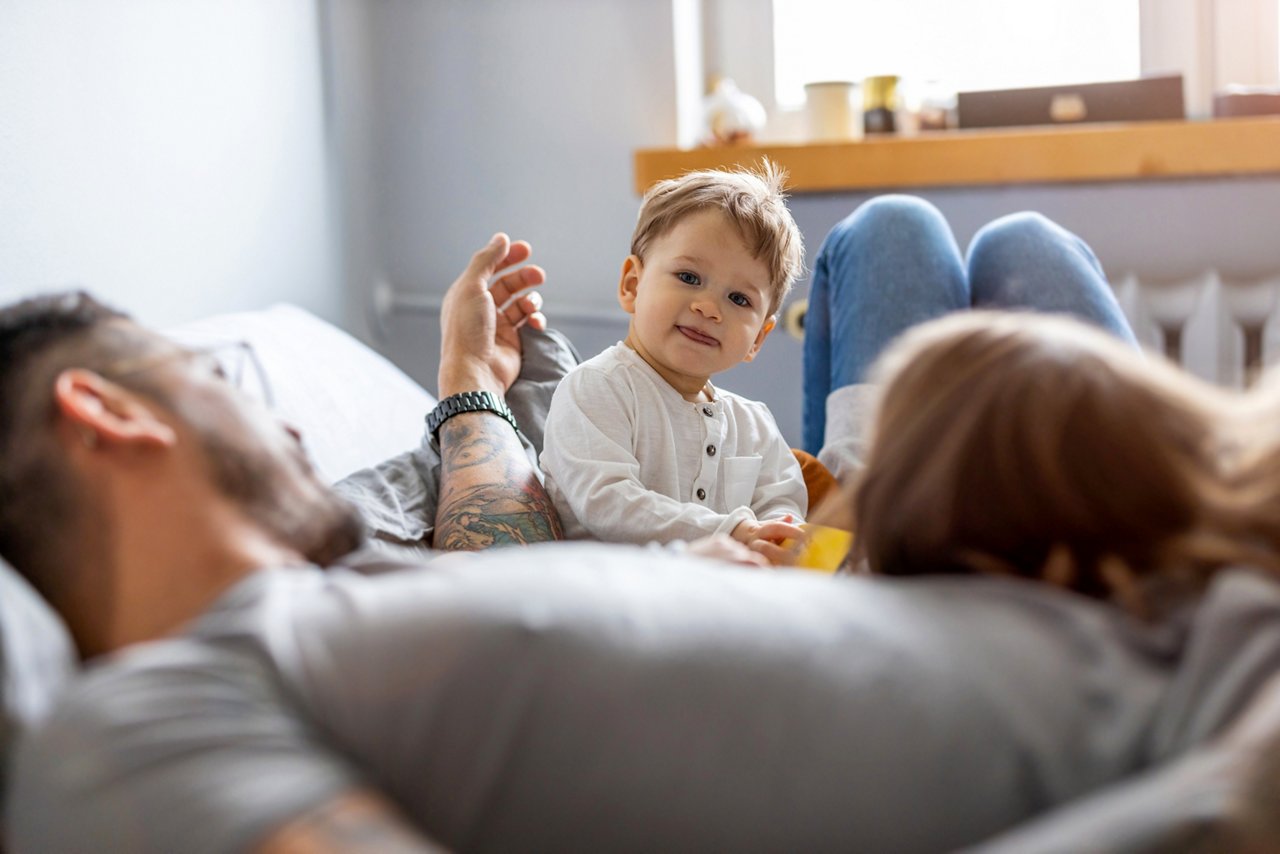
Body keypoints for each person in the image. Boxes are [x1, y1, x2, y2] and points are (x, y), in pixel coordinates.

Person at [4, 222, 1280, 853]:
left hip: (1169, 598)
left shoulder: (353, 590)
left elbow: (500, 548)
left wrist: (469, 380)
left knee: (975, 358)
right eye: (220, 381)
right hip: (1218, 728)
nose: (283, 421)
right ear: (107, 411)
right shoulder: (143, 725)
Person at [539, 162, 807, 558]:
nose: (709, 308)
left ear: (758, 340)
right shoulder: (596, 387)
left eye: (739, 299)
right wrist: (731, 531)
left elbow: (781, 504)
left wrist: (777, 537)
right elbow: (607, 503)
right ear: (632, 285)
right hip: (615, 596)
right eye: (689, 277)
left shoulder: (755, 425)